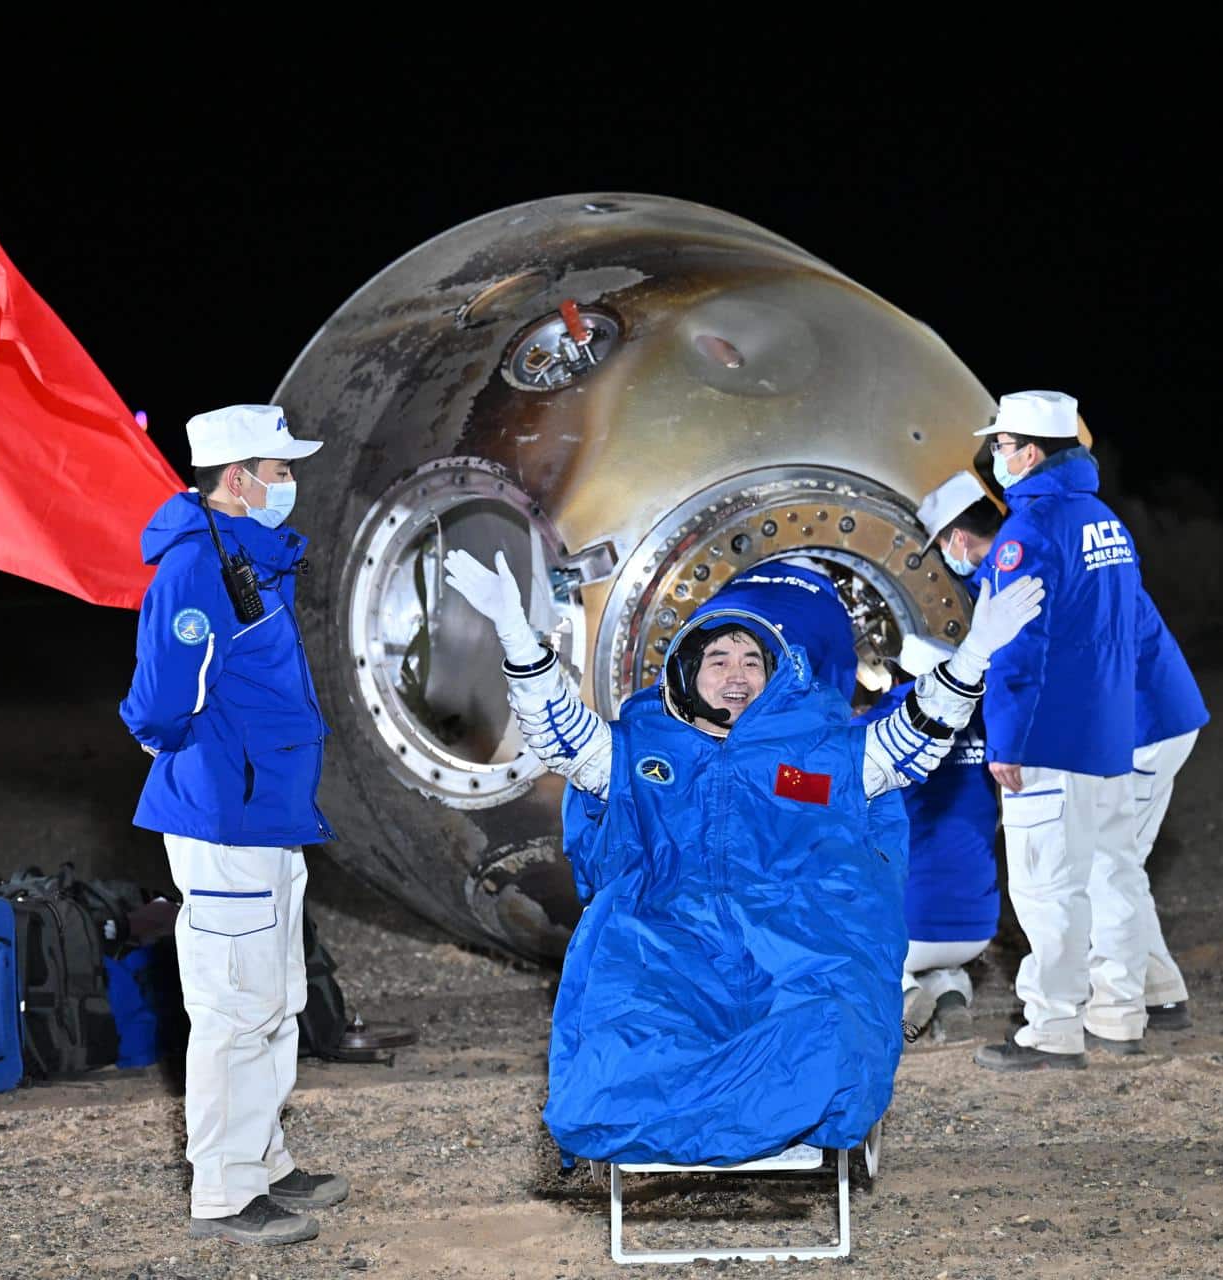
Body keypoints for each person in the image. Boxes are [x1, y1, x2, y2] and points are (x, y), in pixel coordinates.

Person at [443, 548, 1044, 1164]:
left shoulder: (817, 753)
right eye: (719, 659)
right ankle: (737, 1119)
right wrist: (515, 633)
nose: (737, 674)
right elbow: (557, 732)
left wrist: (974, 655)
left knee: (829, 1034)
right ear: (685, 669)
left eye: (753, 661)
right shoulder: (641, 751)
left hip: (795, 949)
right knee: (618, 1038)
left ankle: (744, 1119)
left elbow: (911, 744)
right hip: (665, 946)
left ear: (777, 673)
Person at [118, 404, 346, 1247]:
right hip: (226, 817)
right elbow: (159, 704)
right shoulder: (196, 569)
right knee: (231, 1006)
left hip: (266, 816)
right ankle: (221, 1189)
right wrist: (199, 757)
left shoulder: (248, 556)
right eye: (280, 470)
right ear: (238, 478)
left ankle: (264, 1161)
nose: (291, 484)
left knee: (275, 997)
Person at [965, 390, 1147, 1072]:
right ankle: (1121, 1016)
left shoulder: (1028, 532)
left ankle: (1053, 1029)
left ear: (1032, 452)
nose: (997, 458)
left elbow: (1015, 646)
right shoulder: (1106, 522)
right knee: (1114, 875)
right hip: (1107, 732)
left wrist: (1007, 741)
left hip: (1047, 737)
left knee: (1048, 887)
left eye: (1003, 446)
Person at [860, 635, 1000, 1046]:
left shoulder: (892, 713)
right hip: (978, 926)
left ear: (903, 675)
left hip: (912, 927)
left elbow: (822, 769)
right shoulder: (984, 720)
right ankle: (951, 997)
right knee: (938, 953)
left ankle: (902, 994)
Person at [1119, 586, 1210, 1034]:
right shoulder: (1068, 531)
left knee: (1107, 866)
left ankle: (1122, 1004)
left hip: (1144, 724)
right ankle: (1159, 994)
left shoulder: (1030, 546)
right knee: (1117, 863)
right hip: (1156, 713)